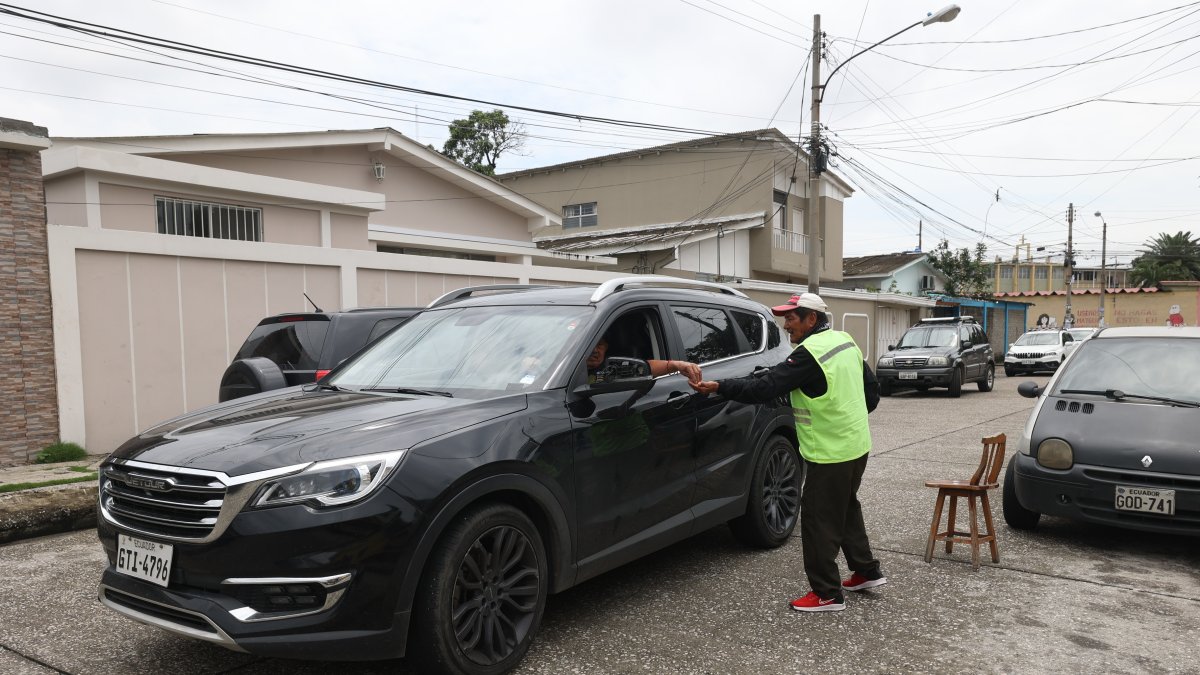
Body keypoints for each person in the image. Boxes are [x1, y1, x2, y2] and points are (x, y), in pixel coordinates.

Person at [689, 292, 882, 613]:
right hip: (856, 445)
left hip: (830, 452)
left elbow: (765, 387)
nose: (786, 325)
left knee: (818, 518)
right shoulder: (845, 341)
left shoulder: (810, 353)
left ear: (811, 318)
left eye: (791, 318)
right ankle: (866, 571)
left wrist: (720, 386)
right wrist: (849, 419)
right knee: (845, 507)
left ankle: (827, 593)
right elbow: (872, 393)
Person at [586, 337, 701, 383]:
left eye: (600, 345)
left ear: (607, 347)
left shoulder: (612, 367)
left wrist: (677, 365)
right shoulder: (574, 364)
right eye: (589, 345)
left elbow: (646, 367)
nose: (594, 350)